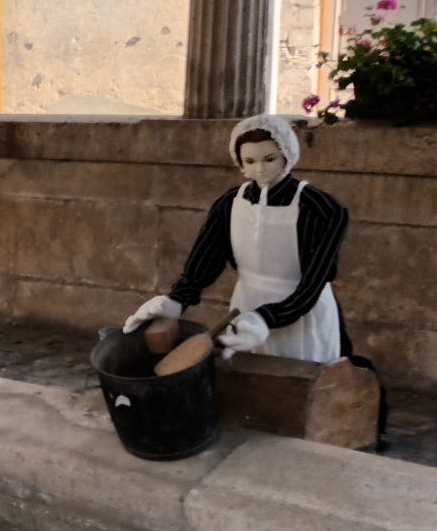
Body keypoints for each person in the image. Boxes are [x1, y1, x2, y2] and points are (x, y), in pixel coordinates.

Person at [124, 115, 351, 364]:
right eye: (250, 161)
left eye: (270, 159)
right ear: (239, 161)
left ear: (287, 154)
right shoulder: (230, 203)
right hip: (246, 306)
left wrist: (267, 318)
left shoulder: (322, 209)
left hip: (302, 313)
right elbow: (207, 256)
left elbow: (313, 284)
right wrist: (177, 299)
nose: (260, 169)